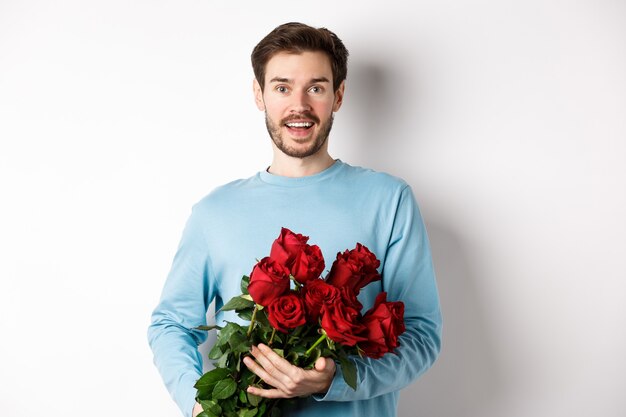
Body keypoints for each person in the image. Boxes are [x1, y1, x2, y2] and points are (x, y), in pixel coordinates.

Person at [148, 22, 442, 417]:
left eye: (316, 88)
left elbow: (421, 337)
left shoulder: (389, 201)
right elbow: (170, 324)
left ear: (338, 96)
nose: (299, 105)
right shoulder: (214, 213)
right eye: (282, 87)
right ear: (259, 94)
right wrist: (200, 405)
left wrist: (332, 380)